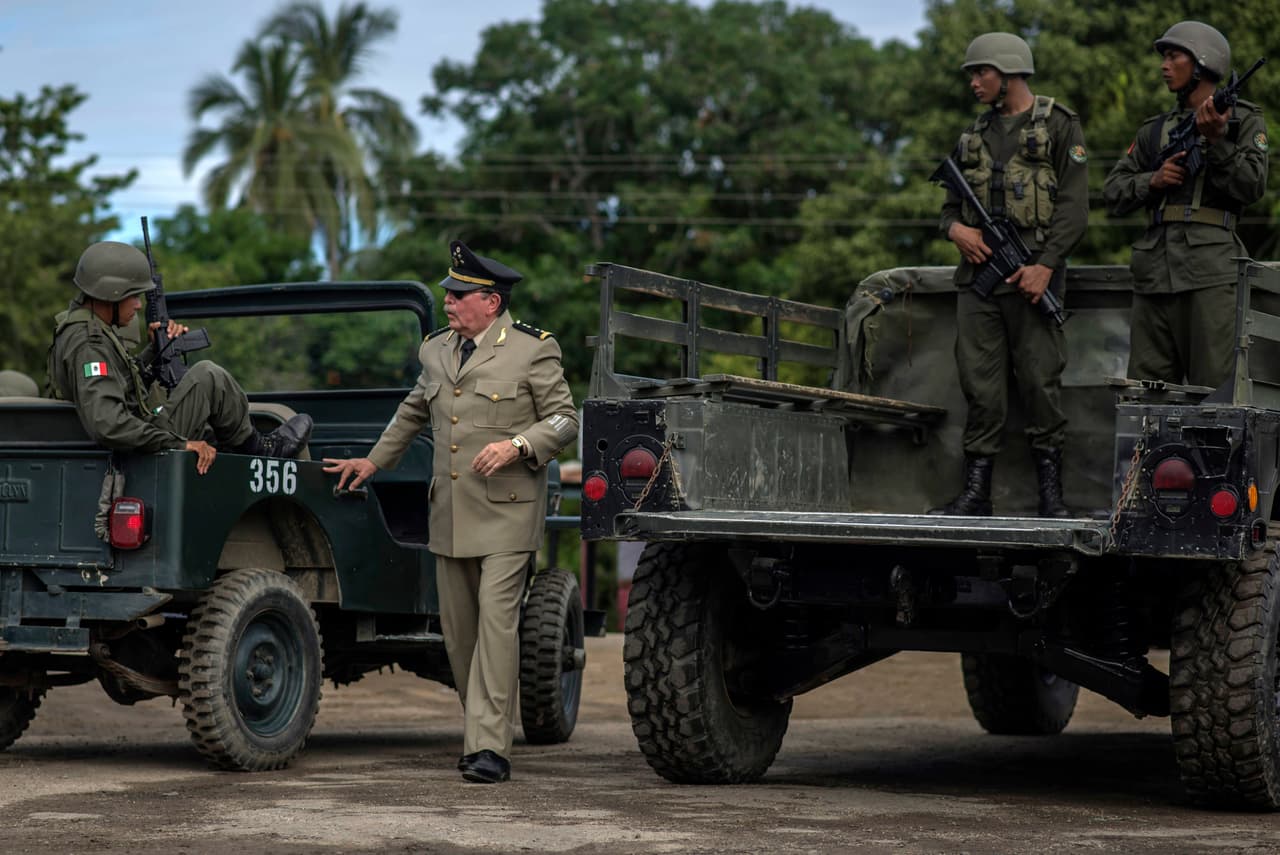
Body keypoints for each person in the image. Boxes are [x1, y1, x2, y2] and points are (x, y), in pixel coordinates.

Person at [323, 241, 578, 784]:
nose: (448, 302)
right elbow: (412, 412)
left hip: (509, 514)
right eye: (448, 293)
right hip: (451, 514)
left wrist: (517, 446)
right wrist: (372, 461)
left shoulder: (532, 350)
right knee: (460, 638)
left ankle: (488, 748)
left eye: (459, 294)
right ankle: (481, 730)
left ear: (491, 302)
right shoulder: (436, 350)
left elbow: (563, 421)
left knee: (496, 628)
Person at [931, 32, 1090, 518]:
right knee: (980, 387)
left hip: (1033, 277)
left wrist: (1046, 265)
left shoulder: (1060, 126)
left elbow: (1074, 208)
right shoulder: (973, 135)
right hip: (979, 281)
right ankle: (976, 494)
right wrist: (955, 229)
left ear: (1009, 72)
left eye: (981, 72)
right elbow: (948, 209)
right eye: (972, 74)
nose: (974, 82)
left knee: (1041, 383)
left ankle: (1051, 497)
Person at [48, 241, 312, 473]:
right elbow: (108, 424)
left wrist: (156, 350)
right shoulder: (90, 342)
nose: (138, 305)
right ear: (111, 294)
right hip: (139, 448)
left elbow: (123, 388)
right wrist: (180, 443)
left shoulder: (86, 330)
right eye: (134, 296)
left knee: (208, 416)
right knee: (208, 375)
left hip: (141, 433)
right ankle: (262, 450)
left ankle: (237, 449)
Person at [1103, 21, 1269, 389]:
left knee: (1214, 391)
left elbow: (1252, 186)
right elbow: (1112, 191)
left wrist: (1218, 142)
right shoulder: (1154, 130)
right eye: (1163, 57)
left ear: (1202, 63)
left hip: (1211, 273)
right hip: (1153, 274)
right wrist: (1153, 180)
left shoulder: (1242, 120)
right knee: (1145, 394)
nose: (1164, 65)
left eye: (1173, 56)